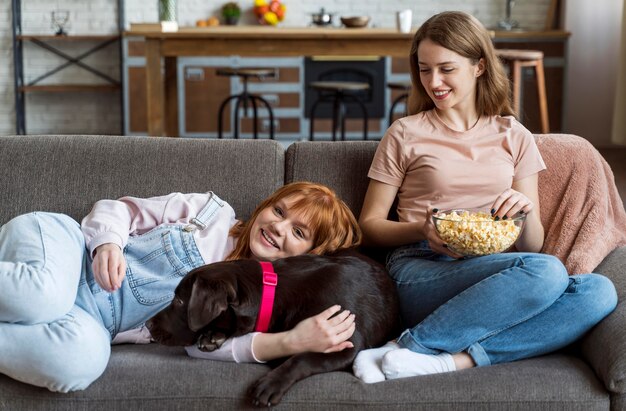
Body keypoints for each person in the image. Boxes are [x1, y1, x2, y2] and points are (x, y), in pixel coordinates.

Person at [352, 11, 617, 383]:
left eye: (446, 69)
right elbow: (368, 227)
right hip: (419, 269)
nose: (434, 82)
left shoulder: (514, 135)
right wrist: (421, 230)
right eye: (425, 70)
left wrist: (522, 214)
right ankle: (420, 344)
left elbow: (533, 245)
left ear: (478, 66)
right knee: (547, 272)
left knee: (598, 292)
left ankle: (436, 358)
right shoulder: (405, 133)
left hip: (496, 273)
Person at [0, 182, 360, 392]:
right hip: (66, 253)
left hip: (93, 322)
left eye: (298, 232)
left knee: (78, 365)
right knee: (43, 296)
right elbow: (119, 210)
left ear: (309, 255)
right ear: (265, 207)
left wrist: (293, 341)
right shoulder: (210, 214)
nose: (280, 228)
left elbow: (203, 349)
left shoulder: (257, 306)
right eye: (279, 212)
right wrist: (107, 244)